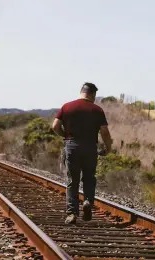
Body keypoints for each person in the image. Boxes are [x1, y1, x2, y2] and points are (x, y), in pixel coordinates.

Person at [52, 82, 112, 224]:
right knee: (89, 178)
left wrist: (65, 135)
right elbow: (105, 132)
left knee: (72, 181)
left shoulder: (67, 106)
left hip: (72, 146)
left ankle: (72, 213)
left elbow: (55, 126)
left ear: (81, 92)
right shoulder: (97, 110)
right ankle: (87, 202)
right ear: (92, 94)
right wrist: (108, 147)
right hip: (90, 147)